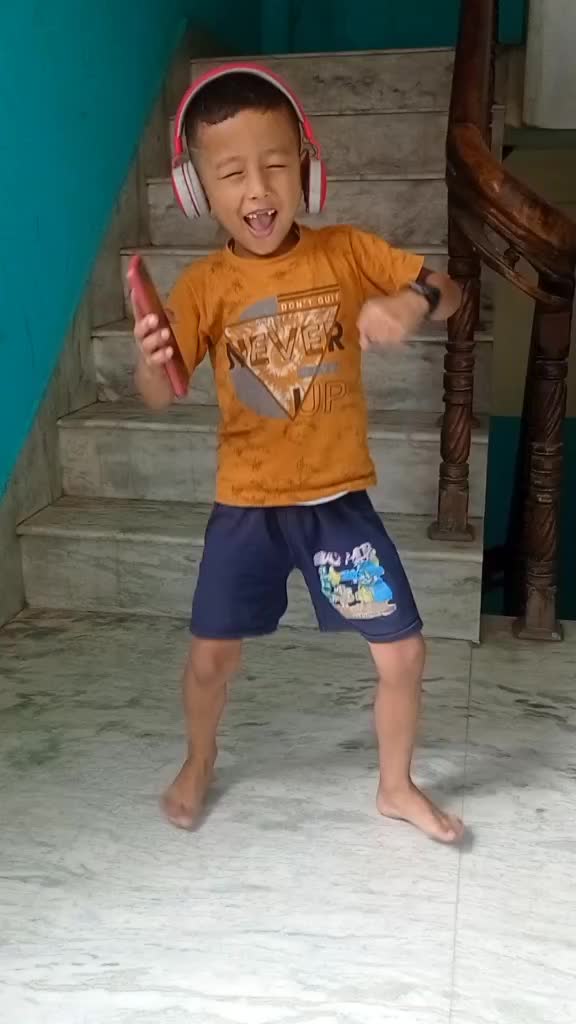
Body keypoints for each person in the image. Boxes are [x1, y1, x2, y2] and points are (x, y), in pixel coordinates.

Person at [131, 65, 464, 843]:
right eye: (232, 173)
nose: (258, 189)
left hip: (337, 510)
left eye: (276, 164)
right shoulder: (204, 285)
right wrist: (151, 359)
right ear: (197, 190)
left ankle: (395, 787)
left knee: (402, 654)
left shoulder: (346, 252)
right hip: (246, 510)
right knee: (211, 661)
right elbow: (159, 394)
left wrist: (410, 302)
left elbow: (449, 291)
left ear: (307, 170)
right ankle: (200, 759)